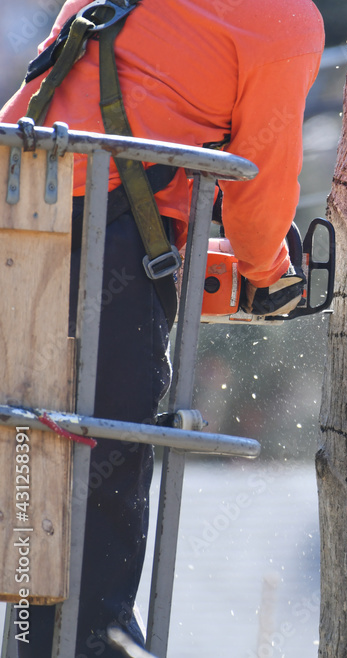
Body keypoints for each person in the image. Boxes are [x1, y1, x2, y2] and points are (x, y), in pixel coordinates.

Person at [0, 0, 324, 655]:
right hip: (108, 234)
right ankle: (91, 638)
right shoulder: (282, 19)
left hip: (19, 210)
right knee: (103, 457)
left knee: (33, 446)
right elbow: (262, 188)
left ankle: (33, 638)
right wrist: (270, 272)